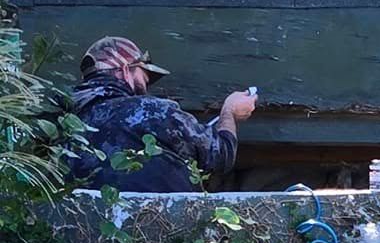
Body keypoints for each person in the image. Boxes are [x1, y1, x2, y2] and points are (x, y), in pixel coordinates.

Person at [65, 37, 257, 193]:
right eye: (144, 78)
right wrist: (229, 113)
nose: (146, 87)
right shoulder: (151, 110)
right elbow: (219, 156)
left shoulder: (65, 121)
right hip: (155, 230)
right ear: (126, 71)